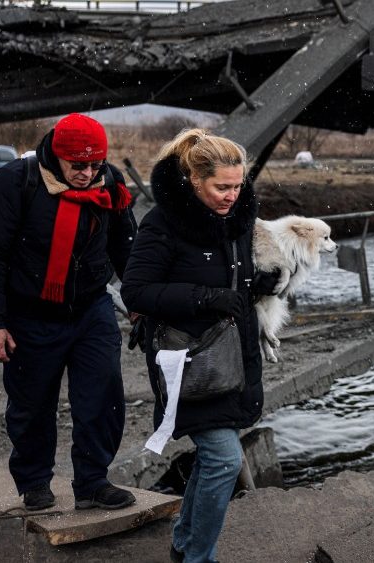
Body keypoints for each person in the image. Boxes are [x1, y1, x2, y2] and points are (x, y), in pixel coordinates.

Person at [120, 129, 282, 563]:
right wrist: (205, 299)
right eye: (221, 187)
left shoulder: (237, 218)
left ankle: (185, 542)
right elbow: (135, 292)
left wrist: (256, 287)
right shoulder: (163, 223)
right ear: (194, 179)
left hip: (234, 356)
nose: (232, 195)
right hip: (190, 359)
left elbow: (232, 279)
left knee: (214, 457)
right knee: (225, 459)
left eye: (237, 185)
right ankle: (198, 558)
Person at [0, 113, 138, 511]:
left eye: (95, 165)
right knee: (32, 404)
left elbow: (127, 248)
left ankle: (93, 482)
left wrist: (141, 303)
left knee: (102, 394)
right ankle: (34, 482)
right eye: (78, 166)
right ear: (57, 155)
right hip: (30, 312)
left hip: (91, 307)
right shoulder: (17, 181)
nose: (87, 173)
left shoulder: (109, 181)